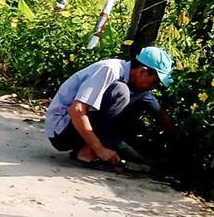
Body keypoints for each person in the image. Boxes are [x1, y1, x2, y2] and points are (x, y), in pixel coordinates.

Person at [45, 46, 174, 168]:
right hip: (61, 129)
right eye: (155, 82)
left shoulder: (141, 89)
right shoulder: (109, 70)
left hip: (78, 127)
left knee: (137, 101)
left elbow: (159, 113)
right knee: (121, 92)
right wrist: (99, 148)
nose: (154, 87)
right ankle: (89, 153)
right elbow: (76, 110)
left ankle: (105, 147)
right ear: (143, 71)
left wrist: (176, 142)